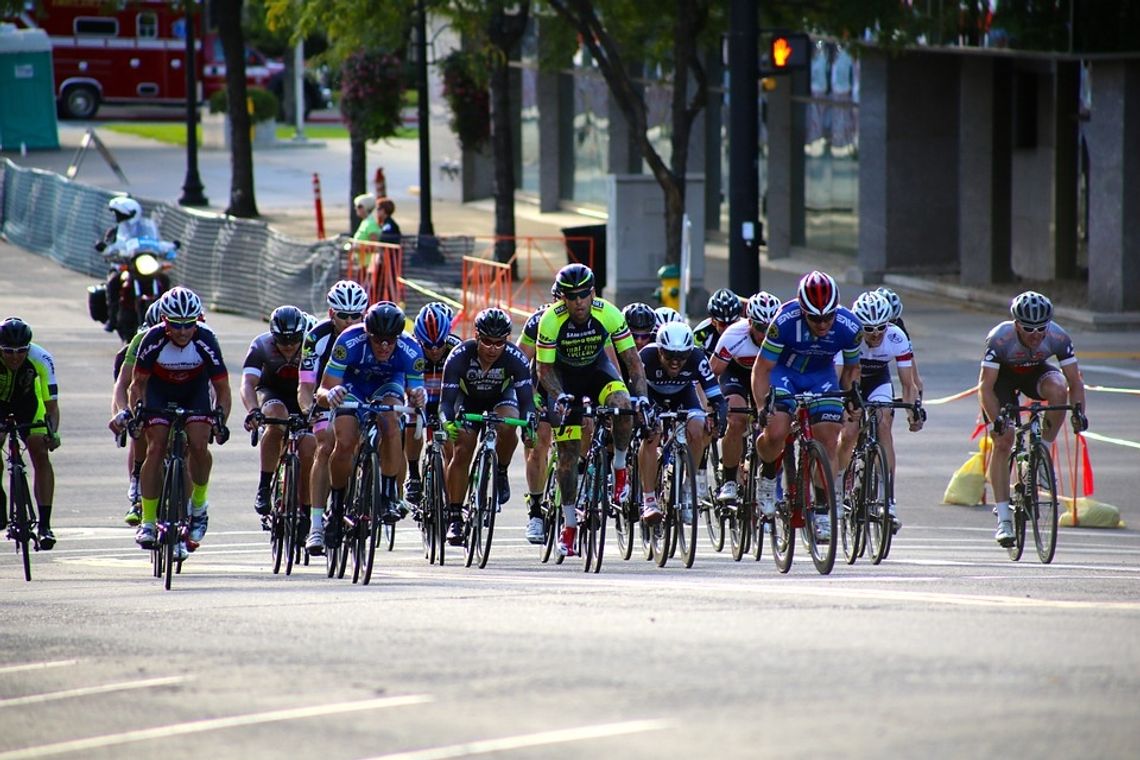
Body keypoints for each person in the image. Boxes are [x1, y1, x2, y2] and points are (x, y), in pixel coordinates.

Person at [535, 263, 648, 557]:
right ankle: (570, 525)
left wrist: (642, 397)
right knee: (568, 458)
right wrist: (558, 396)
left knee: (624, 407)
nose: (578, 302)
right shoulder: (550, 321)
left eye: (583, 295)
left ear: (593, 293)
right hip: (563, 380)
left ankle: (620, 468)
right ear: (561, 298)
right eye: (571, 296)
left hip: (597, 372)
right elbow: (543, 370)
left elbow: (633, 362)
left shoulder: (609, 313)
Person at [750, 271, 862, 543]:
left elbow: (851, 370)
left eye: (828, 317)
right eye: (815, 318)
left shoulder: (850, 326)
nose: (823, 324)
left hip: (821, 377)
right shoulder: (784, 322)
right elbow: (761, 369)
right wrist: (762, 407)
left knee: (828, 435)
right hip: (784, 374)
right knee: (776, 432)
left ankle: (822, 509)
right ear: (803, 311)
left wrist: (851, 397)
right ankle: (766, 475)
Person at [123, 288, 231, 558]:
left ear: (198, 321)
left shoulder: (206, 339)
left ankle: (198, 507)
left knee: (198, 445)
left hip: (194, 391)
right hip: (159, 392)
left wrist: (220, 419)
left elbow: (223, 389)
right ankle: (148, 521)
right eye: (176, 325)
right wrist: (138, 413)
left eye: (189, 324)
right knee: (156, 447)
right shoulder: (152, 339)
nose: (183, 331)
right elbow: (137, 385)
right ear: (164, 320)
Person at [979, 291, 1087, 547]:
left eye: (1041, 328)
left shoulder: (1058, 336)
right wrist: (997, 422)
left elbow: (1075, 381)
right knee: (1004, 441)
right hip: (1002, 380)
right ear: (1016, 324)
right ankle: (1004, 519)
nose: (1036, 334)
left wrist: (1079, 413)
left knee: (1059, 389)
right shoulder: (1000, 338)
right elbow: (985, 387)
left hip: (1035, 373)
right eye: (1028, 328)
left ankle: (1041, 455)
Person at [315, 302, 426, 550]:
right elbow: (323, 389)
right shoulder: (349, 341)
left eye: (390, 341)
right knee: (344, 442)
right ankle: (338, 503)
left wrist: (419, 396)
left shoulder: (410, 349)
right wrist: (330, 394)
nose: (384, 346)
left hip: (388, 385)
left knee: (390, 422)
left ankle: (387, 493)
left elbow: (415, 390)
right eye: (378, 341)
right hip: (353, 386)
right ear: (368, 334)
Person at [438, 308, 536, 544]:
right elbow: (446, 403)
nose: (493, 348)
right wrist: (446, 422)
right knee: (461, 450)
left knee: (508, 424)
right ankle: (454, 516)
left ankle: (500, 471)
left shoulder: (515, 358)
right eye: (487, 342)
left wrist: (530, 423)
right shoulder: (459, 355)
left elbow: (526, 402)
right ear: (476, 336)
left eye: (499, 343)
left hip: (501, 397)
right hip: (468, 399)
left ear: (507, 340)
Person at [837, 291, 923, 533]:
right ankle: (837, 484)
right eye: (869, 329)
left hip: (878, 380)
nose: (875, 334)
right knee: (850, 432)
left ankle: (888, 499)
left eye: (880, 328)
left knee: (884, 423)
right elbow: (842, 375)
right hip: (850, 380)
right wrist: (845, 405)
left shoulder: (896, 337)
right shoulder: (849, 335)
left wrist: (912, 412)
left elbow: (908, 384)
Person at [297, 280, 369, 554]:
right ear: (330, 314)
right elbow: (306, 385)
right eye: (343, 315)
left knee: (364, 442)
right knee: (326, 445)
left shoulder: (369, 333)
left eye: (356, 316)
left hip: (359, 396)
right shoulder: (316, 337)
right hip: (327, 396)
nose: (350, 321)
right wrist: (307, 409)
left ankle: (362, 497)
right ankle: (316, 526)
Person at [637, 321, 727, 523]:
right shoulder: (645, 357)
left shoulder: (697, 357)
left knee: (697, 429)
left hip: (684, 394)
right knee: (652, 435)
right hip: (652, 395)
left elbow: (716, 396)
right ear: (659, 350)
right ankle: (649, 500)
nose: (675, 362)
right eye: (669, 356)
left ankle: (688, 485)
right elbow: (632, 392)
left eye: (682, 357)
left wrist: (719, 414)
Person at [241, 305, 316, 533]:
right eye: (283, 341)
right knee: (275, 418)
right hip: (273, 393)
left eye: (295, 340)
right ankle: (264, 486)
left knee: (308, 450)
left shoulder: (312, 346)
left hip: (305, 395)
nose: (290, 346)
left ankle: (306, 510)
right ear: (273, 337)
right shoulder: (261, 345)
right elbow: (247, 384)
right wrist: (253, 410)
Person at [708, 291, 782, 503]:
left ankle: (769, 477)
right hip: (737, 375)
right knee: (736, 419)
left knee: (775, 422)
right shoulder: (734, 335)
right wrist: (710, 406)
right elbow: (711, 374)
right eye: (760, 327)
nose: (765, 334)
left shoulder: (783, 337)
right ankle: (730, 480)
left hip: (767, 375)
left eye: (771, 328)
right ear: (749, 322)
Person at [0, 318, 60, 550]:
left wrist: (53, 433)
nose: (15, 357)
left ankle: (44, 525)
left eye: (21, 351)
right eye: (8, 351)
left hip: (29, 404)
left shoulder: (41, 358)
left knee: (39, 450)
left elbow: (52, 406)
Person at [110, 297, 168, 526]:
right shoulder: (134, 347)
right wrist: (122, 414)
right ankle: (136, 481)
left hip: (177, 388)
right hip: (145, 389)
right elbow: (121, 388)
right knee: (139, 425)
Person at [405, 302, 462, 506]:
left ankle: (451, 494)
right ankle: (413, 475)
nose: (435, 350)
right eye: (429, 345)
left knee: (449, 442)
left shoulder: (456, 347)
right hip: (418, 397)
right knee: (411, 421)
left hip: (447, 400)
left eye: (440, 344)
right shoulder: (410, 347)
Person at [516, 299, 557, 543]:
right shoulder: (540, 320)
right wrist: (529, 395)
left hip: (573, 382)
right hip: (541, 384)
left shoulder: (588, 320)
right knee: (539, 441)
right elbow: (520, 363)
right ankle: (535, 511)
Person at [96, 196, 161, 333]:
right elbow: (109, 247)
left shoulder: (145, 228)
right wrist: (105, 248)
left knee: (164, 279)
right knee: (113, 281)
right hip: (123, 265)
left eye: (121, 214)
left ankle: (167, 313)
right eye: (118, 215)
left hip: (143, 263)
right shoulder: (114, 232)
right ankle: (112, 318)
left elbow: (157, 243)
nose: (119, 217)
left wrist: (171, 247)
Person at [693, 288, 744, 356]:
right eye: (722, 324)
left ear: (738, 320)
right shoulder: (700, 334)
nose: (728, 329)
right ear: (713, 322)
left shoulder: (749, 328)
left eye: (732, 323)